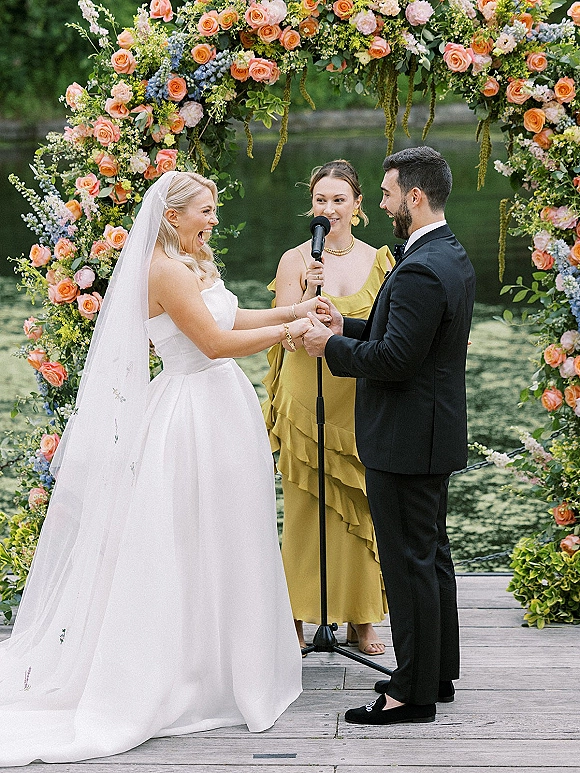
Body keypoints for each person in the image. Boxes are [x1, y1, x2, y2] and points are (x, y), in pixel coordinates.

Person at [0, 171, 331, 766]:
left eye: (213, 208)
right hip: (193, 414)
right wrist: (292, 331)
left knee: (227, 535)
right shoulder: (165, 270)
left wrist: (298, 307)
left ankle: (224, 664)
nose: (212, 220)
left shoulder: (186, 263)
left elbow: (232, 319)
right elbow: (212, 343)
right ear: (172, 215)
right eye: (204, 210)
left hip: (221, 407)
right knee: (191, 537)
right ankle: (189, 673)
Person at [303, 146, 476, 724]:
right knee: (430, 558)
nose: (381, 202)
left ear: (414, 197)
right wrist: (344, 324)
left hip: (405, 440)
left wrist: (329, 347)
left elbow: (396, 358)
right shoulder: (445, 253)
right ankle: (437, 673)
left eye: (386, 193)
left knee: (408, 565)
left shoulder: (423, 265)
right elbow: (397, 329)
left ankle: (410, 692)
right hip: (427, 433)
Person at [262, 160, 393, 655]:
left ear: (358, 206)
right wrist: (305, 292)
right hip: (304, 393)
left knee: (359, 505)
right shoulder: (296, 260)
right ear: (311, 206)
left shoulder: (381, 260)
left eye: (339, 200)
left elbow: (385, 334)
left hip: (355, 397)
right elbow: (285, 334)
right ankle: (295, 615)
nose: (329, 208)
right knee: (303, 508)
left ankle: (361, 618)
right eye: (321, 200)